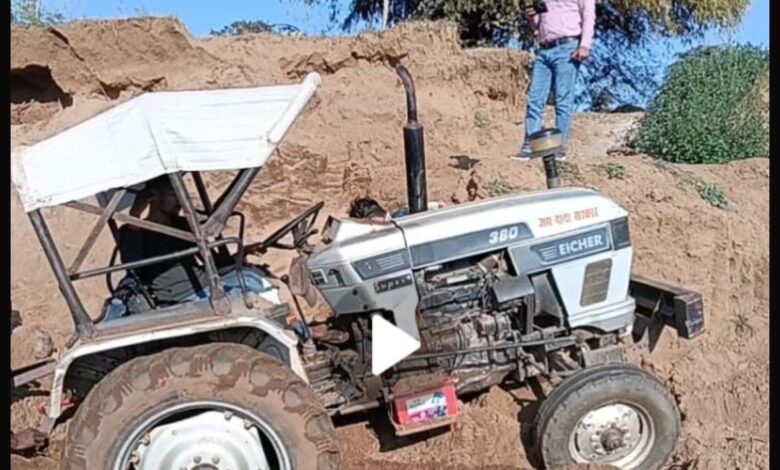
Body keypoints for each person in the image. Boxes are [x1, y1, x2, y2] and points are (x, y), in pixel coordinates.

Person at [102, 176, 274, 320]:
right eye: (173, 195)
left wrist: (244, 252)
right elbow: (132, 266)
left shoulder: (182, 224)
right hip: (181, 295)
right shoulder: (134, 231)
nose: (180, 201)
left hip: (206, 284)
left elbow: (217, 263)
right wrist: (135, 215)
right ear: (152, 196)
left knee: (258, 278)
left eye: (181, 195)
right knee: (257, 287)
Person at [514, 0, 596, 161]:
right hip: (544, 50)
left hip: (567, 47)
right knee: (535, 99)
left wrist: (585, 45)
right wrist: (532, 18)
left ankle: (559, 147)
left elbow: (588, 16)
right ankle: (529, 147)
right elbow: (539, 24)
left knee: (563, 100)